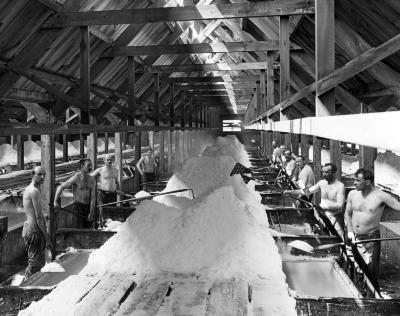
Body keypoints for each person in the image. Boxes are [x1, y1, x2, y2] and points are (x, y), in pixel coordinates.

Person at [345, 168, 400, 291]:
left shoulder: (381, 196)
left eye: (357, 180)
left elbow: (398, 207)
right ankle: (359, 293)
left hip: (370, 239)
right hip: (353, 236)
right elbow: (347, 213)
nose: (354, 183)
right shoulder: (352, 194)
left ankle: (373, 297)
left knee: (371, 272)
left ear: (368, 182)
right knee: (356, 268)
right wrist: (349, 231)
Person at [285, 163, 346, 239]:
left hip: (335, 219)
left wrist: (323, 206)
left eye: (326, 172)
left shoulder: (340, 186)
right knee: (326, 240)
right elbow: (306, 191)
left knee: (340, 241)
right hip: (323, 218)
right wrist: (291, 192)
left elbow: (340, 205)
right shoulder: (322, 183)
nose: (324, 174)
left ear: (333, 173)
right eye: (322, 172)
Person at [22, 166, 52, 277]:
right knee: (35, 264)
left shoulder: (32, 189)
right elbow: (39, 218)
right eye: (39, 174)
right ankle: (26, 287)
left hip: (30, 228)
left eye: (44, 174)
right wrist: (47, 238)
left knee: (35, 261)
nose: (42, 177)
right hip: (34, 229)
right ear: (32, 175)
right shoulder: (34, 191)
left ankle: (26, 282)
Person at [54, 158, 96, 228]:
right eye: (88, 165)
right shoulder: (76, 177)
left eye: (91, 165)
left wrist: (91, 212)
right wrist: (55, 201)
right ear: (82, 166)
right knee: (78, 226)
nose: (90, 167)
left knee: (88, 228)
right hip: (77, 207)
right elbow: (61, 187)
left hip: (87, 207)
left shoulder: (92, 180)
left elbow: (93, 197)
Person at [91, 154, 122, 226]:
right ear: (104, 161)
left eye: (111, 159)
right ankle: (101, 224)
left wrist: (119, 190)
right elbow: (90, 176)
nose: (109, 161)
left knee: (112, 209)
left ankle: (111, 225)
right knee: (102, 209)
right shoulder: (100, 170)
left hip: (113, 193)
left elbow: (116, 182)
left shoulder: (115, 170)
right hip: (103, 192)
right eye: (108, 160)